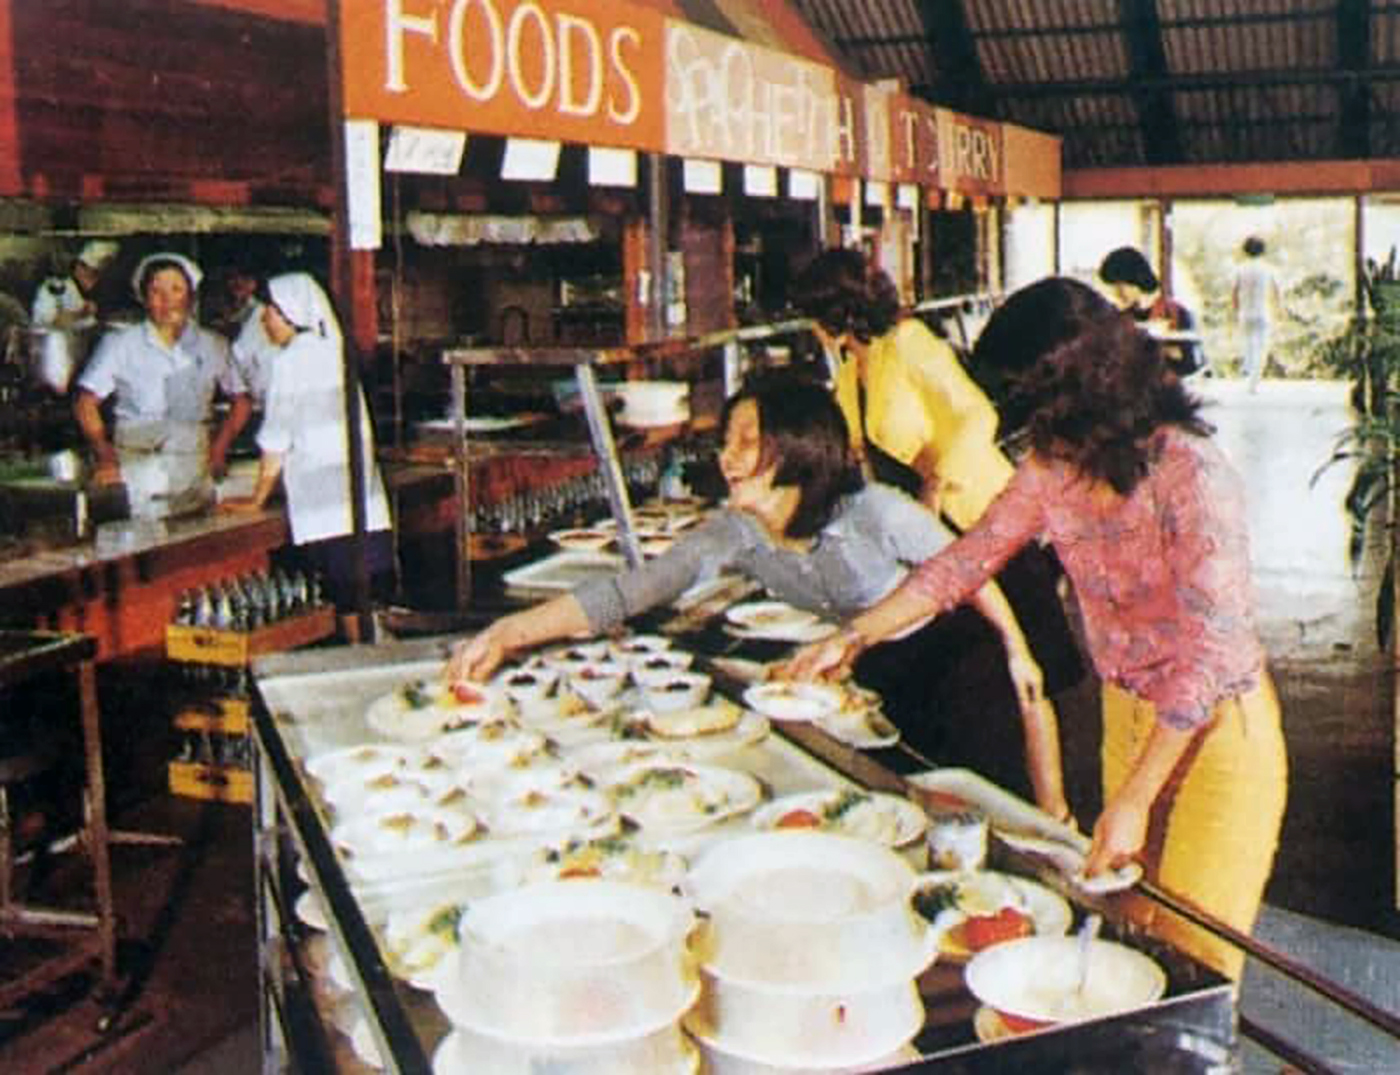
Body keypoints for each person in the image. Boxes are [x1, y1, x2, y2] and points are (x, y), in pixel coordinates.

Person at [780, 277, 1288, 980]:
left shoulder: (1193, 474)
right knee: (1132, 942)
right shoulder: (1056, 466)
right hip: (1128, 715)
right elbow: (962, 561)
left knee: (1195, 963)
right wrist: (854, 636)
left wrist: (1134, 800)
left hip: (1218, 738)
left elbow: (1211, 653)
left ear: (1090, 389)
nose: (1025, 437)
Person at [445, 374, 1067, 814]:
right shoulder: (737, 530)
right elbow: (631, 590)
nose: (726, 457)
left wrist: (1017, 653)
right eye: (726, 442)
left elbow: (966, 569)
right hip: (867, 657)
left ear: (797, 447)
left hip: (959, 648)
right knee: (903, 797)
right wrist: (510, 631)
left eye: (746, 441)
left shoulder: (875, 510)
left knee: (982, 802)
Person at [787, 248, 1084, 790]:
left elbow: (977, 415)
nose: (810, 328)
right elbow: (856, 454)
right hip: (929, 535)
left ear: (835, 309)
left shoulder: (909, 342)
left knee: (1022, 663)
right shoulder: (851, 369)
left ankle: (1049, 798)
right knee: (968, 674)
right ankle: (978, 782)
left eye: (812, 314)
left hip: (978, 513)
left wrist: (936, 488)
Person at [219, 272, 393, 612]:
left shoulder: (291, 361)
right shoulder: (333, 349)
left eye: (270, 312)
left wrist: (257, 499)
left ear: (291, 315)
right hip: (363, 506)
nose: (264, 320)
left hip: (326, 509)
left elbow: (276, 439)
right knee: (369, 604)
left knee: (345, 605)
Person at [74, 252, 252, 515]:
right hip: (137, 467)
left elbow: (241, 402)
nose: (167, 301)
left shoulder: (213, 345)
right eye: (156, 292)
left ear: (190, 297)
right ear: (144, 299)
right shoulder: (120, 344)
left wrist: (219, 448)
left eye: (176, 290)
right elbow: (85, 403)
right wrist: (106, 455)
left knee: (196, 534)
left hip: (194, 467)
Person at [1098, 246, 1207, 376]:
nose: (1117, 293)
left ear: (1137, 279)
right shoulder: (1118, 318)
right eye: (1113, 287)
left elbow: (1192, 362)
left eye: (1121, 285)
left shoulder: (1176, 313)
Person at [31, 240, 119, 332]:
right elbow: (49, 324)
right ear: (78, 267)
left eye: (98, 275)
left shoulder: (92, 292)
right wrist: (81, 314)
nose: (95, 280)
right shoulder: (55, 286)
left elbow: (92, 323)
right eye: (93, 274)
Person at [1232, 236, 1282, 392]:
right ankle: (1254, 381)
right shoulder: (1268, 269)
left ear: (1245, 250)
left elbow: (1234, 293)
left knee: (1248, 344)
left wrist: (1236, 310)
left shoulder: (1240, 269)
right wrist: (1278, 310)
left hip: (1245, 313)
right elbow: (1277, 292)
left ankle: (1248, 369)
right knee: (1262, 347)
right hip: (1262, 312)